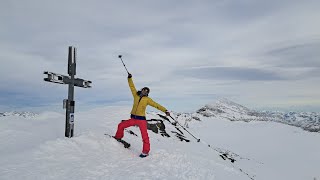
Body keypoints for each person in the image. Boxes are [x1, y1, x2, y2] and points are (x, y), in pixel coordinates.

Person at [114, 73, 170, 158]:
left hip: (141, 120)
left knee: (145, 136)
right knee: (121, 125)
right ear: (142, 90)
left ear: (147, 93)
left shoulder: (147, 100)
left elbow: (156, 105)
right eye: (144, 90)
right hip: (133, 118)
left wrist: (165, 110)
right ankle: (118, 137)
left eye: (147, 91)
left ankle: (145, 151)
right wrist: (129, 78)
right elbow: (132, 87)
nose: (145, 91)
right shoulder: (136, 95)